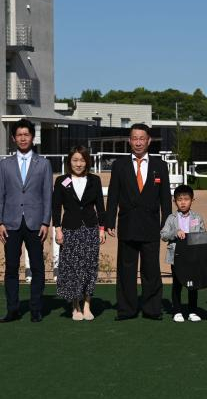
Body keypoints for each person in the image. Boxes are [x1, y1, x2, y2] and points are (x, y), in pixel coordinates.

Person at [105, 123, 171, 321]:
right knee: (126, 269)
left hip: (151, 225)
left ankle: (152, 309)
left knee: (151, 269)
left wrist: (166, 223)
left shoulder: (160, 165)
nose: (139, 142)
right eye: (135, 138)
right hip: (127, 224)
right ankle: (126, 309)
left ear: (149, 140)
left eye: (142, 138)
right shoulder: (119, 165)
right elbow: (113, 195)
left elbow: (165, 198)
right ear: (129, 141)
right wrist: (109, 221)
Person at [0, 118, 52, 323]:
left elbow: (47, 194)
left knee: (38, 267)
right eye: (19, 135)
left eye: (26, 134)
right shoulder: (4, 165)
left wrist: (45, 222)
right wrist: (0, 222)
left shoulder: (44, 164)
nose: (23, 138)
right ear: (14, 138)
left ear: (32, 137)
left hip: (35, 223)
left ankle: (36, 309)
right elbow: (1, 194)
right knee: (11, 268)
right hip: (10, 223)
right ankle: (12, 309)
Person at [52, 146, 106, 321]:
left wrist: (102, 229)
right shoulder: (61, 180)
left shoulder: (95, 180)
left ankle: (87, 304)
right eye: (75, 160)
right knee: (72, 268)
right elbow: (56, 207)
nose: (78, 164)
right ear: (69, 162)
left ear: (87, 162)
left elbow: (100, 206)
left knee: (90, 266)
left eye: (82, 160)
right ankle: (75, 306)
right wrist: (58, 229)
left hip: (90, 229)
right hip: (70, 229)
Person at [160, 184, 205, 323]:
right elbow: (163, 235)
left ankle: (192, 311)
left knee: (193, 285)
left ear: (192, 200)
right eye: (179, 199)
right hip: (176, 256)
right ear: (175, 201)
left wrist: (195, 236)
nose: (183, 202)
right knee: (177, 284)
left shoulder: (198, 217)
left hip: (192, 256)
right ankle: (177, 311)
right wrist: (175, 233)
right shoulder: (171, 218)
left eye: (186, 199)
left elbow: (204, 236)